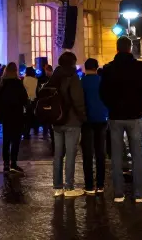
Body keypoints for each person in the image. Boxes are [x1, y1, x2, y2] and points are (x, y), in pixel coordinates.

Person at [99, 36, 142, 203]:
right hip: (134, 115)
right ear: (130, 48)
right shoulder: (138, 67)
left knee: (116, 156)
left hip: (115, 115)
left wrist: (111, 106)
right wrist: (138, 104)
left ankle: (118, 193)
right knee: (136, 155)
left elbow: (103, 92)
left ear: (117, 48)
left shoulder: (109, 68)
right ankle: (139, 194)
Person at [50, 51, 87, 197]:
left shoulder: (54, 77)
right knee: (70, 154)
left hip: (57, 120)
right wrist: (83, 116)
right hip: (72, 121)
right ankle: (69, 187)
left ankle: (57, 187)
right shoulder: (73, 77)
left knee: (58, 154)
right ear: (72, 63)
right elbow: (78, 100)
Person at [0, 63, 29, 173]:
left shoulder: (1, 83)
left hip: (5, 115)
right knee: (16, 140)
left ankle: (5, 163)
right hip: (17, 114)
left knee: (6, 139)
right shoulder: (18, 83)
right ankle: (13, 163)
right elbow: (24, 99)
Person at [80, 58, 109, 193]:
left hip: (87, 121)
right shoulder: (102, 81)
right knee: (100, 152)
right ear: (97, 67)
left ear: (85, 68)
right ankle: (101, 184)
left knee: (87, 153)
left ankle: (89, 185)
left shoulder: (82, 82)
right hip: (102, 119)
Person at [22, 66, 40, 139]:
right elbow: (37, 91)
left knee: (26, 118)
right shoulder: (36, 80)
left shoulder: (23, 80)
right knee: (34, 116)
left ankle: (26, 132)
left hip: (26, 100)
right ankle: (36, 129)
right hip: (34, 100)